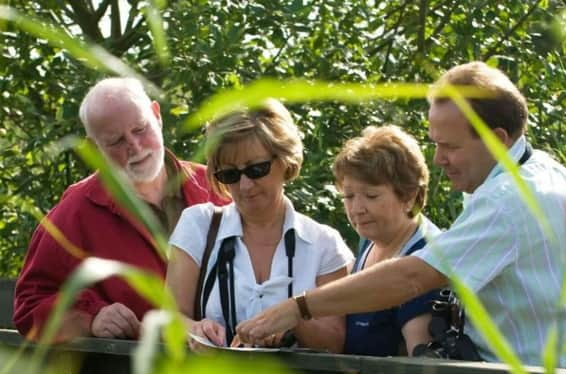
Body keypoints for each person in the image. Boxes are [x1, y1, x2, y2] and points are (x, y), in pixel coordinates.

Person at [236, 61, 566, 369]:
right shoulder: (548, 172)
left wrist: (298, 307)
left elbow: (412, 277)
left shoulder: (508, 200)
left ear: (499, 139)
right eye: (435, 144)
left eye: (450, 146)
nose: (438, 159)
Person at [13, 77, 227, 341]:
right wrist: (91, 318)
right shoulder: (75, 212)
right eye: (116, 141)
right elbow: (30, 306)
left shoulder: (220, 186)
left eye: (140, 129)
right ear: (94, 148)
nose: (135, 147)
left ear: (157, 115)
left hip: (231, 371)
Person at [166, 99, 354, 352]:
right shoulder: (198, 225)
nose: (245, 186)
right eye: (229, 175)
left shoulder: (324, 244)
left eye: (257, 169)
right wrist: (195, 330)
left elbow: (336, 341)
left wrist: (293, 320)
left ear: (286, 160)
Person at [333, 125, 441, 356]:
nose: (357, 209)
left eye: (371, 196)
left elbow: (422, 369)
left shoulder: (426, 256)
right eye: (349, 196)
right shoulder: (370, 240)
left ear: (409, 196)